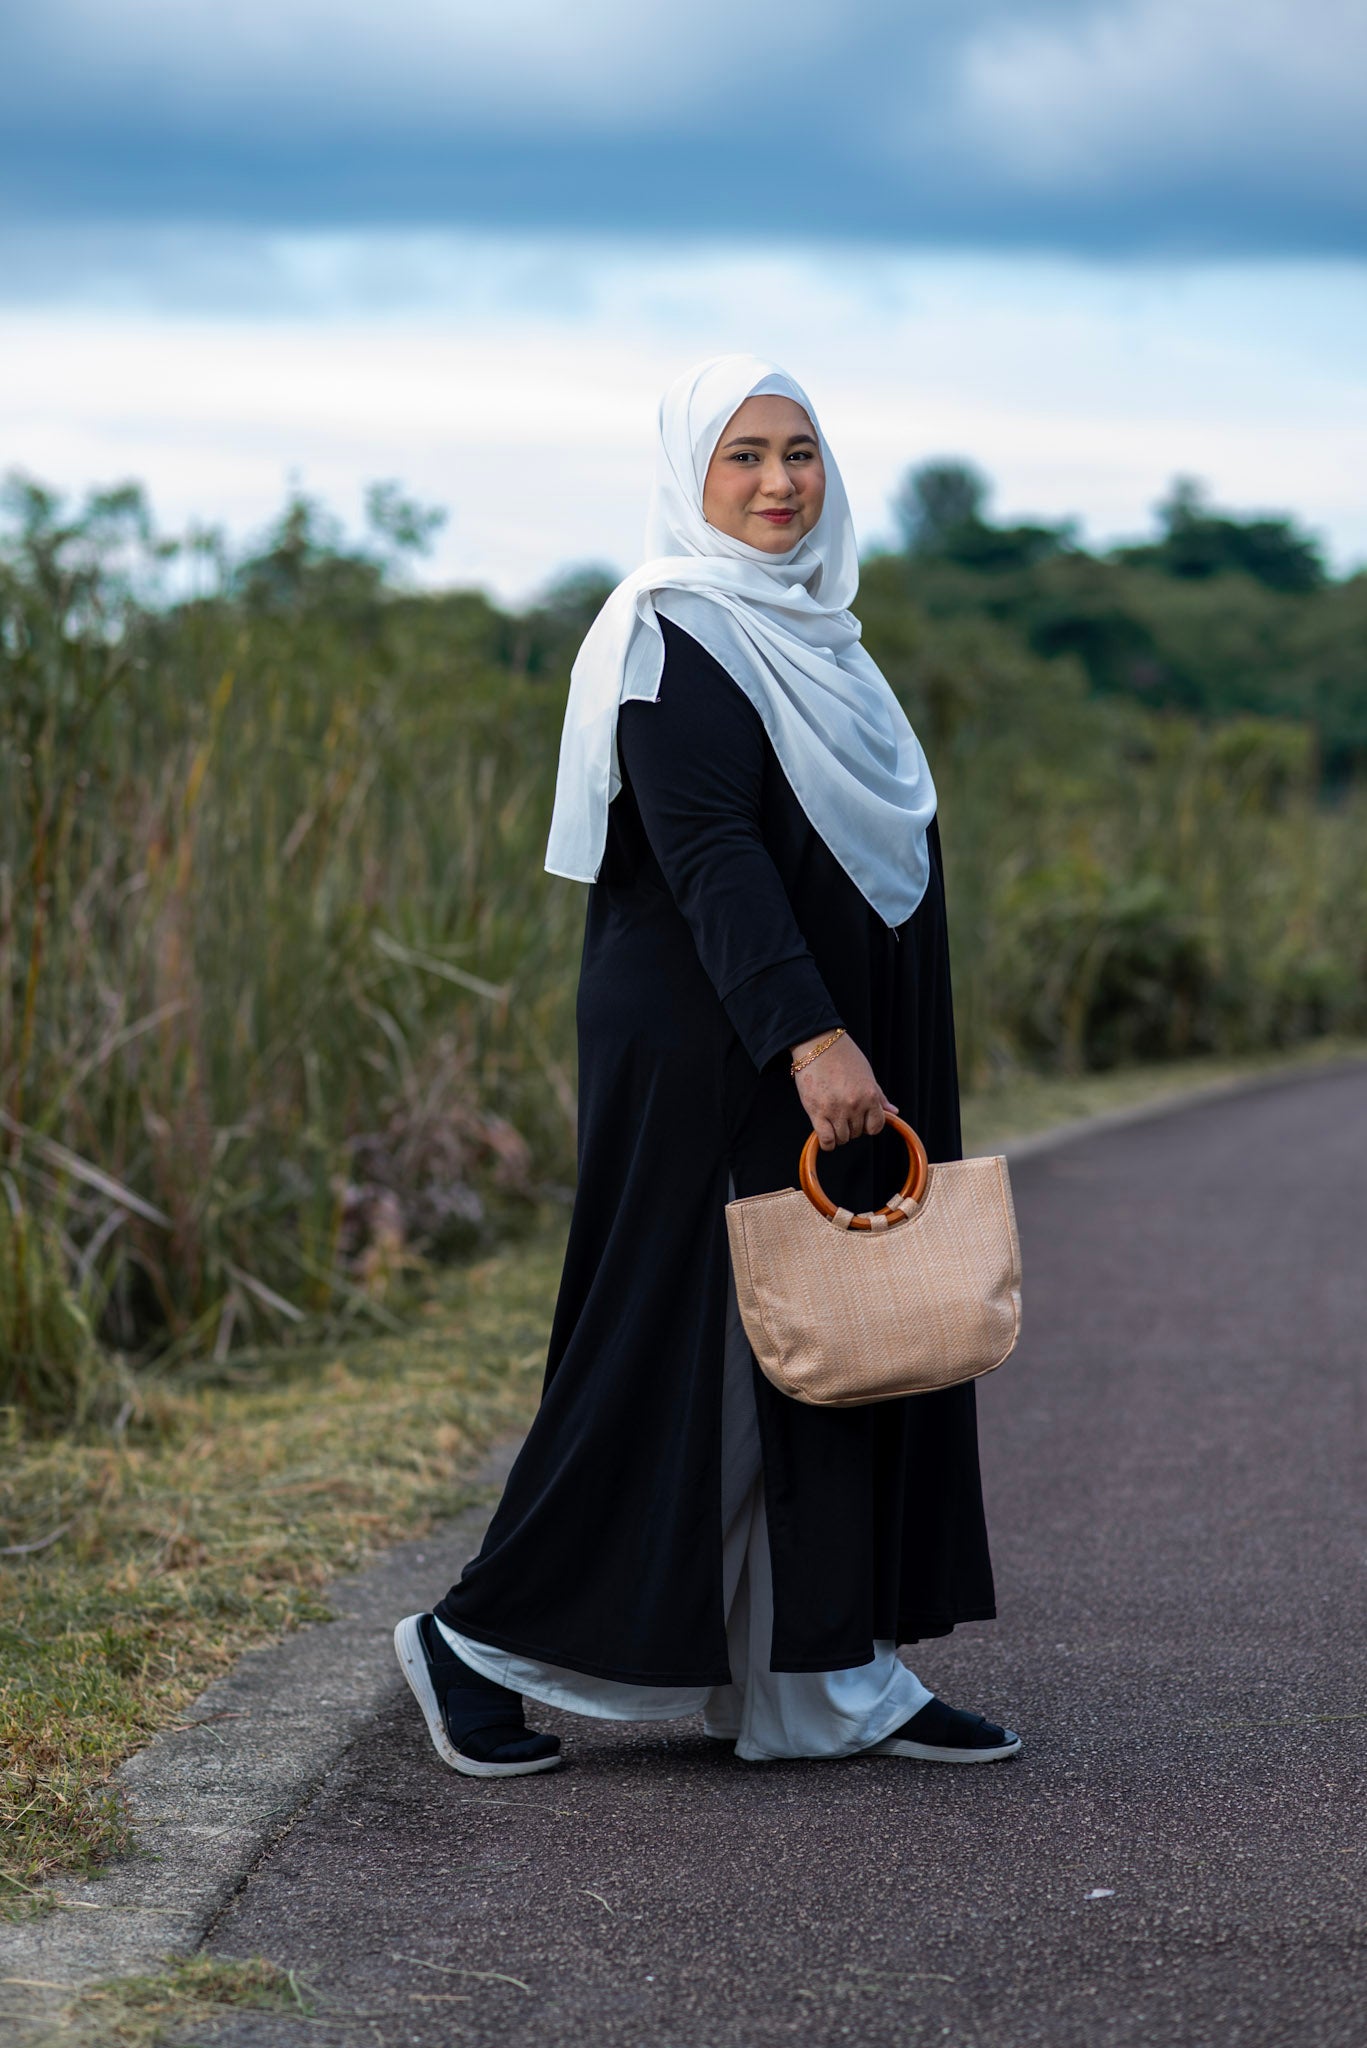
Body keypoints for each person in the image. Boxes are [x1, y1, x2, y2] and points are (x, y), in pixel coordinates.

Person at [395, 354, 1019, 1778]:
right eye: (743, 455)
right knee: (669, 1345)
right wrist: (811, 1036)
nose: (780, 483)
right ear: (690, 472)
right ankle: (471, 1642)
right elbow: (711, 856)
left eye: (800, 451)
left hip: (817, 1033)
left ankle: (821, 1672)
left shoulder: (820, 636)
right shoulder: (672, 632)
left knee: (830, 1342)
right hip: (716, 1042)